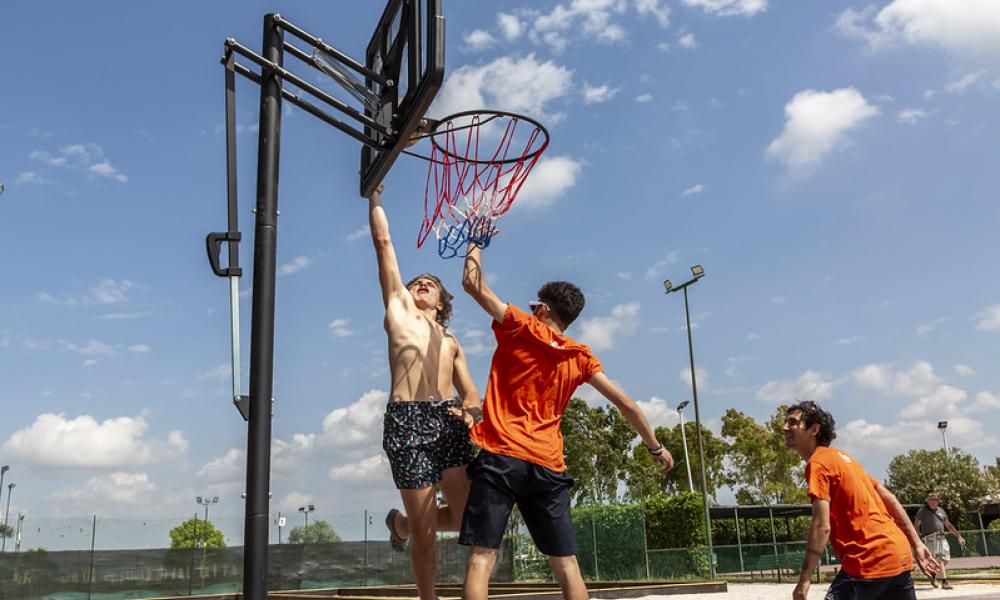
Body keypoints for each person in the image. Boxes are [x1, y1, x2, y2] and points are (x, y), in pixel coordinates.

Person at [458, 240, 674, 600]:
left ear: (543, 309)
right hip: (548, 465)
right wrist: (656, 448)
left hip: (503, 456)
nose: (530, 310)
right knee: (567, 565)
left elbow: (472, 284)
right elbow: (627, 404)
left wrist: (475, 244)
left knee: (483, 557)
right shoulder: (580, 356)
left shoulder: (522, 326)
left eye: (534, 306)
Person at [366, 185, 481, 600]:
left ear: (441, 302)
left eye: (430, 283)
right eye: (417, 282)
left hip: (447, 421)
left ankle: (400, 524)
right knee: (427, 533)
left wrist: (470, 412)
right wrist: (375, 198)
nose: (422, 284)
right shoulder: (399, 310)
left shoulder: (451, 340)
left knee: (467, 520)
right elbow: (384, 245)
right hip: (408, 419)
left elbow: (471, 394)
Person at [783, 401, 938, 600]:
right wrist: (915, 543)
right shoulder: (844, 458)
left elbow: (822, 526)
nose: (785, 427)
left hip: (867, 560)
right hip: (897, 555)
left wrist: (804, 579)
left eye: (793, 422)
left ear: (814, 429)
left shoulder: (818, 463)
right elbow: (889, 498)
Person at [914, 492, 966, 589]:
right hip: (930, 538)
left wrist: (958, 536)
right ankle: (944, 581)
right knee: (940, 559)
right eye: (931, 500)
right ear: (927, 501)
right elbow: (917, 524)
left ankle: (933, 573)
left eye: (935, 500)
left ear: (938, 501)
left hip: (942, 538)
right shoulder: (923, 511)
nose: (933, 502)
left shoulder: (941, 511)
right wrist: (916, 537)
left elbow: (948, 525)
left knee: (946, 559)